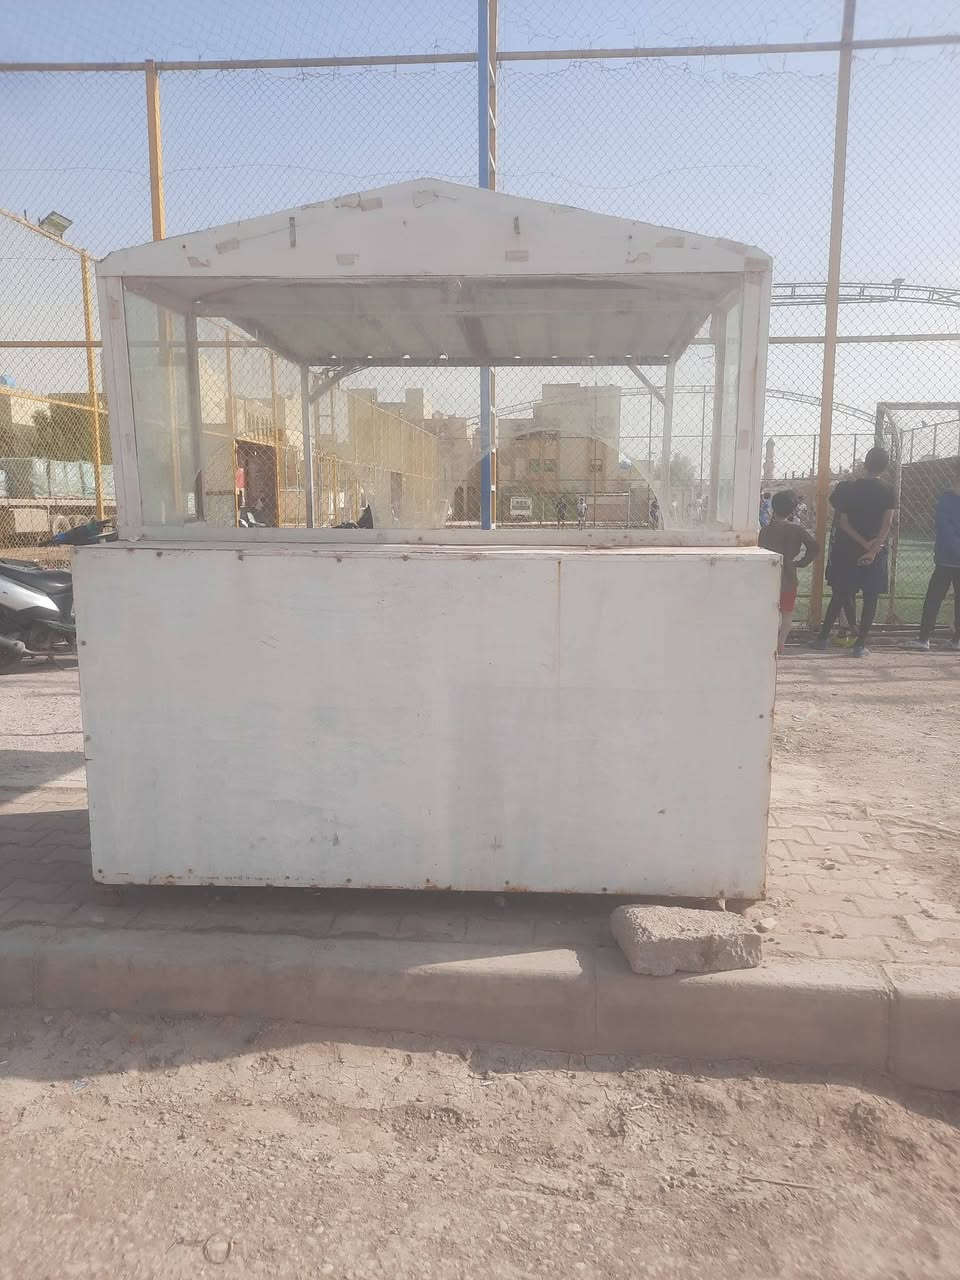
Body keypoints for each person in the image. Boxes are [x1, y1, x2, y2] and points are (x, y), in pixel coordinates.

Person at [811, 446, 896, 658]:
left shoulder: (849, 488)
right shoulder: (888, 490)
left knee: (841, 593)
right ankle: (860, 644)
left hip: (848, 548)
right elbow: (887, 524)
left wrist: (863, 543)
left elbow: (843, 522)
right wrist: (873, 548)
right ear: (885, 467)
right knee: (870, 596)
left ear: (865, 464)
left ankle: (823, 638)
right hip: (876, 550)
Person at [905, 459, 960, 651]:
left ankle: (924, 639)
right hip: (949, 558)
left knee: (934, 598)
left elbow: (945, 529)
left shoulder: (947, 498)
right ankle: (956, 640)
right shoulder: (947, 497)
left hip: (947, 559)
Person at [758, 490, 819, 655]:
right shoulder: (796, 529)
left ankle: (767, 641)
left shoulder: (765, 531)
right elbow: (814, 547)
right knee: (787, 613)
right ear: (792, 510)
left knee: (768, 611)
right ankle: (781, 643)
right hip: (788, 576)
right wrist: (802, 562)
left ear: (773, 508)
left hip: (768, 577)